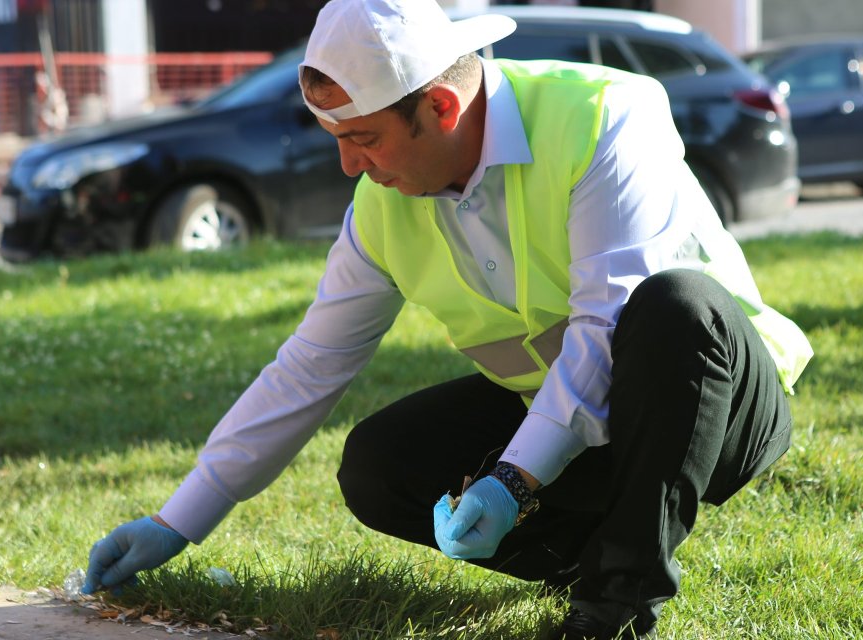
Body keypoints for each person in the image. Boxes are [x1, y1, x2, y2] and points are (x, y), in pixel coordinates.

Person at [82, 0, 813, 637]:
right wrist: (178, 519)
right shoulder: (380, 208)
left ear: (440, 107)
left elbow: (607, 326)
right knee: (379, 464)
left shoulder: (603, 115)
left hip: (717, 404)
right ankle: (592, 550)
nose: (347, 166)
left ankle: (614, 604)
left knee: (672, 307)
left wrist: (514, 480)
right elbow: (311, 362)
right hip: (578, 423)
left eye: (362, 138)